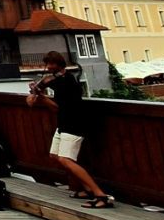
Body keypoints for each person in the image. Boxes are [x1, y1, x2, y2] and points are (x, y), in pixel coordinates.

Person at [28, 50, 112, 207]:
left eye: (52, 64)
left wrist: (41, 97)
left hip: (74, 124)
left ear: (60, 65)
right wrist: (35, 90)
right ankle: (86, 189)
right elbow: (40, 89)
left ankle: (100, 195)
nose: (49, 68)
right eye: (48, 64)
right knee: (55, 156)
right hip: (63, 124)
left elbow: (57, 108)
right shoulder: (56, 79)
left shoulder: (68, 84)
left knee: (65, 160)